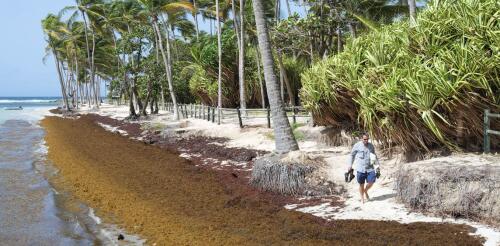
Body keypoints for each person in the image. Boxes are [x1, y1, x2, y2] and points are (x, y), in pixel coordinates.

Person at [347, 133, 379, 203]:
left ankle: (365, 191)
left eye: (367, 139)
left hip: (370, 168)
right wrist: (350, 165)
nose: (366, 141)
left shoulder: (371, 146)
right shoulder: (357, 145)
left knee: (372, 181)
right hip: (360, 168)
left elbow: (374, 156)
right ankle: (362, 198)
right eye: (365, 139)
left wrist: (377, 167)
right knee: (361, 184)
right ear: (361, 139)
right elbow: (352, 155)